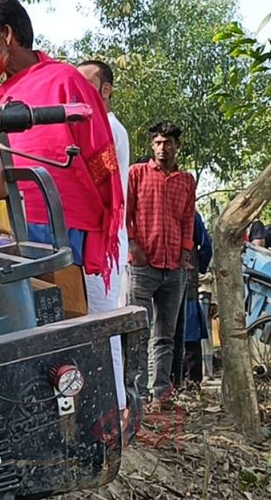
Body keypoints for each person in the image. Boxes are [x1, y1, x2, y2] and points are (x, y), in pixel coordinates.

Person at [0, 0, 124, 299]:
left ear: (7, 34)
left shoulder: (66, 79)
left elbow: (100, 159)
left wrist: (98, 228)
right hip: (12, 226)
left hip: (60, 227)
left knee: (64, 321)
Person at [127, 122, 196, 405]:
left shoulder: (186, 180)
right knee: (138, 331)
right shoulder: (137, 173)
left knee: (165, 336)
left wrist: (184, 254)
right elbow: (126, 212)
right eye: (157, 143)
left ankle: (161, 394)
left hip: (174, 269)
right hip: (143, 265)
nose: (162, 148)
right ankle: (135, 393)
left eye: (167, 143)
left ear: (177, 146)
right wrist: (133, 244)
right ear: (151, 146)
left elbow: (188, 219)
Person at [76, 59, 130, 410]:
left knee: (102, 323)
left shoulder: (109, 128)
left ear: (105, 90)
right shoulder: (91, 128)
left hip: (102, 244)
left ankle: (116, 408)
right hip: (89, 240)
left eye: (86, 84)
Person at [172, 211, 213, 391]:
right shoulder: (191, 216)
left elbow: (206, 247)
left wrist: (199, 268)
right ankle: (188, 382)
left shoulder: (191, 216)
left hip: (178, 280)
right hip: (183, 280)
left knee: (177, 334)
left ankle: (182, 382)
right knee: (187, 335)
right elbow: (206, 247)